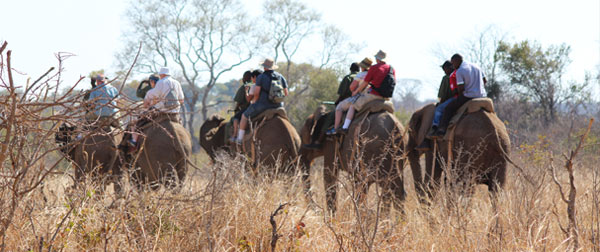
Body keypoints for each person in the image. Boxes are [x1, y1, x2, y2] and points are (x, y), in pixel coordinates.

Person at [330, 50, 393, 135]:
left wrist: (356, 91)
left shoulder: (374, 68)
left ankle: (344, 128)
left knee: (353, 106)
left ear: (377, 59)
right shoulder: (391, 69)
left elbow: (365, 83)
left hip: (373, 95)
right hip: (386, 98)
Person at [304, 62, 360, 149]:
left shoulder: (348, 78)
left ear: (350, 69)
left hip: (348, 103)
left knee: (328, 117)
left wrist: (337, 102)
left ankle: (319, 141)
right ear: (359, 69)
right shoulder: (363, 77)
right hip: (360, 102)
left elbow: (342, 94)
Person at [431, 53, 487, 137]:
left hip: (468, 96)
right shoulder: (477, 66)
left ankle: (441, 130)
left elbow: (461, 89)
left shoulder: (460, 71)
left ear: (457, 61)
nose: (453, 66)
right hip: (482, 95)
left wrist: (459, 96)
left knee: (448, 108)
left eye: (453, 63)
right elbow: (485, 81)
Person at [234, 58, 288, 144]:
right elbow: (286, 93)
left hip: (263, 105)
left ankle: (239, 139)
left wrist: (256, 101)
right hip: (279, 105)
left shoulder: (261, 77)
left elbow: (256, 93)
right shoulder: (281, 77)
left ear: (264, 67)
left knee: (244, 116)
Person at [129, 67, 185, 148]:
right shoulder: (177, 83)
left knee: (136, 123)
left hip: (160, 112)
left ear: (162, 74)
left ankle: (134, 141)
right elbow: (181, 100)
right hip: (175, 114)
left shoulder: (161, 82)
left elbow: (151, 96)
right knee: (181, 126)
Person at [416, 61, 456, 150]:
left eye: (444, 69)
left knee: (438, 110)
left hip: (452, 99)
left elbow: (442, 94)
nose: (444, 71)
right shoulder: (459, 74)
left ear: (448, 68)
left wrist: (440, 102)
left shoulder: (446, 78)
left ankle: (434, 129)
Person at [326, 58, 372, 135]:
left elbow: (352, 87)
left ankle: (336, 129)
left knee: (339, 107)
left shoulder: (360, 75)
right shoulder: (373, 74)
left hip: (359, 97)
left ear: (362, 67)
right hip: (370, 97)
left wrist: (354, 90)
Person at [230, 71, 253, 142]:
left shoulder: (245, 87)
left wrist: (236, 108)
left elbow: (238, 101)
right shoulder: (256, 85)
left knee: (236, 118)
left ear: (244, 79)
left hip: (248, 108)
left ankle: (235, 135)